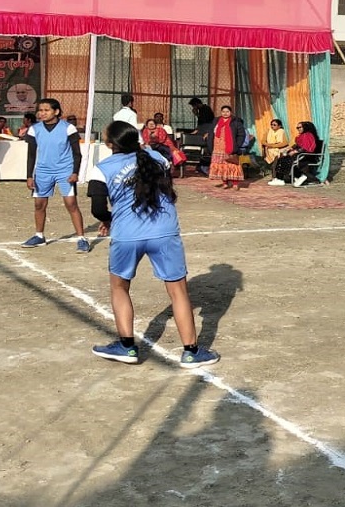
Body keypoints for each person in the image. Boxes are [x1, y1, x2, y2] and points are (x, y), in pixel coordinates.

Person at [86, 120, 220, 369]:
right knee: (178, 292)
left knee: (119, 288)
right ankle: (191, 352)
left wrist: (108, 219)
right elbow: (164, 186)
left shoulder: (102, 169)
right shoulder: (157, 158)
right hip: (165, 231)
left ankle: (127, 346)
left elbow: (97, 209)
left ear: (110, 144)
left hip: (127, 234)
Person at [21, 98, 90, 253]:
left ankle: (81, 238)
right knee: (39, 204)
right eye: (40, 110)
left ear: (56, 111)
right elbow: (31, 155)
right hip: (43, 171)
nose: (42, 113)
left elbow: (77, 153)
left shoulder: (68, 128)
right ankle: (39, 236)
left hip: (65, 170)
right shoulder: (34, 129)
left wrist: (75, 172)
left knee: (71, 203)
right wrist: (29, 176)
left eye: (46, 110)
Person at [268, 121, 320, 187]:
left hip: (305, 156)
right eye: (297, 128)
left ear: (305, 127)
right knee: (281, 158)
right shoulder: (303, 135)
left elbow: (306, 148)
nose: (298, 129)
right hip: (301, 155)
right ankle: (280, 178)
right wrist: (290, 148)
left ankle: (280, 179)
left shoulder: (308, 135)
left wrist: (295, 151)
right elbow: (297, 145)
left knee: (284, 160)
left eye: (300, 127)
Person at [208, 104, 247, 190]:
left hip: (230, 146)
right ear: (221, 112)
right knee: (222, 164)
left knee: (232, 164)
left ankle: (235, 183)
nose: (225, 113)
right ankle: (225, 182)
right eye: (223, 111)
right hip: (218, 147)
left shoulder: (235, 122)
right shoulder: (216, 121)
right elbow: (211, 133)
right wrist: (210, 144)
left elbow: (241, 134)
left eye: (227, 111)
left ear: (231, 112)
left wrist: (237, 145)